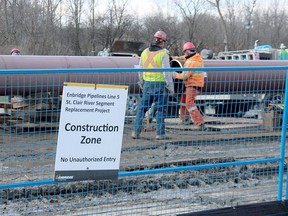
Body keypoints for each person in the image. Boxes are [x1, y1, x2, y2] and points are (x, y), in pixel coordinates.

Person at [131, 30, 174, 140]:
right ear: (162, 42)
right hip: (160, 85)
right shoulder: (163, 54)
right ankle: (160, 134)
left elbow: (140, 69)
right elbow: (167, 72)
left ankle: (136, 132)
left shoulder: (145, 52)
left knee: (142, 109)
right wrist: (170, 86)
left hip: (147, 85)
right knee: (160, 109)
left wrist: (141, 82)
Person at [172, 42, 205, 129]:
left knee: (190, 104)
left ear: (187, 52)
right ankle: (185, 119)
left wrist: (174, 74)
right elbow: (183, 57)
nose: (184, 54)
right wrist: (173, 58)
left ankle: (200, 123)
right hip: (195, 84)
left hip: (193, 85)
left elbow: (184, 76)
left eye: (184, 52)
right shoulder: (195, 57)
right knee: (183, 99)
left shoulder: (192, 62)